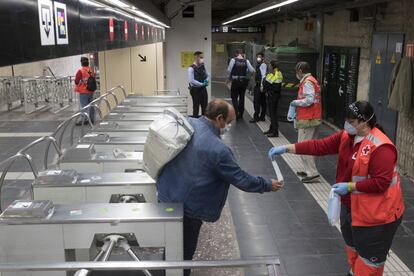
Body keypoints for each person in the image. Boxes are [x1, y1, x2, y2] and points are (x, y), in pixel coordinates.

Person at [268, 101, 404, 276]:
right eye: (346, 120)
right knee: (353, 247)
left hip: (378, 217)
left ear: (364, 122)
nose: (347, 125)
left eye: (352, 122)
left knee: (369, 261)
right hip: (352, 208)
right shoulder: (346, 137)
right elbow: (319, 146)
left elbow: (381, 183)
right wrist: (286, 148)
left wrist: (349, 186)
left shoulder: (381, 147)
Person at [157, 99, 282, 276]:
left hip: (166, 193)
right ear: (220, 119)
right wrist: (267, 184)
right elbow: (241, 179)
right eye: (229, 122)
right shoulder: (218, 150)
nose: (229, 126)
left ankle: (165, 268)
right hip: (188, 207)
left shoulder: (188, 123)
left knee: (170, 245)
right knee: (184, 253)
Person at [290, 61, 322, 183]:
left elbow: (309, 99)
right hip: (314, 117)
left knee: (303, 146)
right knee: (310, 146)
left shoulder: (307, 82)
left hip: (308, 119)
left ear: (300, 71)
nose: (296, 74)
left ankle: (312, 173)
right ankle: (308, 169)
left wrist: (295, 102)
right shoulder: (313, 80)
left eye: (296, 72)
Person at [226, 49, 255, 120]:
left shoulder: (233, 60)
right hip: (244, 82)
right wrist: (248, 75)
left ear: (236, 54)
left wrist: (228, 79)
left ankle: (237, 112)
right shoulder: (246, 61)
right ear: (242, 54)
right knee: (242, 98)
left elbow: (229, 70)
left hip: (235, 81)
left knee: (234, 98)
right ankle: (241, 114)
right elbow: (252, 70)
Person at [263, 61, 283, 138]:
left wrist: (267, 85)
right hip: (272, 96)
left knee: (273, 114)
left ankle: (275, 132)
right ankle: (271, 129)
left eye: (269, 65)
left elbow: (272, 85)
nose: (269, 66)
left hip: (273, 97)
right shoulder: (274, 73)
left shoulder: (276, 74)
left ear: (272, 66)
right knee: (272, 114)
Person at [188, 51, 210, 118]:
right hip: (195, 90)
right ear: (196, 57)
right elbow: (191, 80)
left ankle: (204, 123)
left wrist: (206, 80)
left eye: (202, 57)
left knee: (205, 107)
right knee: (196, 107)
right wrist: (201, 84)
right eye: (201, 57)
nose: (202, 59)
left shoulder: (202, 66)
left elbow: (207, 75)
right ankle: (195, 123)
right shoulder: (191, 68)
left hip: (203, 89)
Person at [74, 57, 95, 125]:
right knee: (91, 105)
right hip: (91, 90)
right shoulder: (91, 70)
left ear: (81, 63)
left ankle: (84, 120)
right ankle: (92, 119)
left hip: (83, 91)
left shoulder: (81, 71)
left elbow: (76, 81)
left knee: (84, 106)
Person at [250, 52, 268, 123]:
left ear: (263, 57)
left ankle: (256, 117)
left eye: (259, 57)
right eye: (257, 56)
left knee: (257, 101)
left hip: (260, 86)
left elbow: (263, 76)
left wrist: (261, 86)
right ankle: (262, 116)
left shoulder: (263, 65)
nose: (258, 58)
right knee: (263, 102)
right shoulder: (260, 64)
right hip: (261, 85)